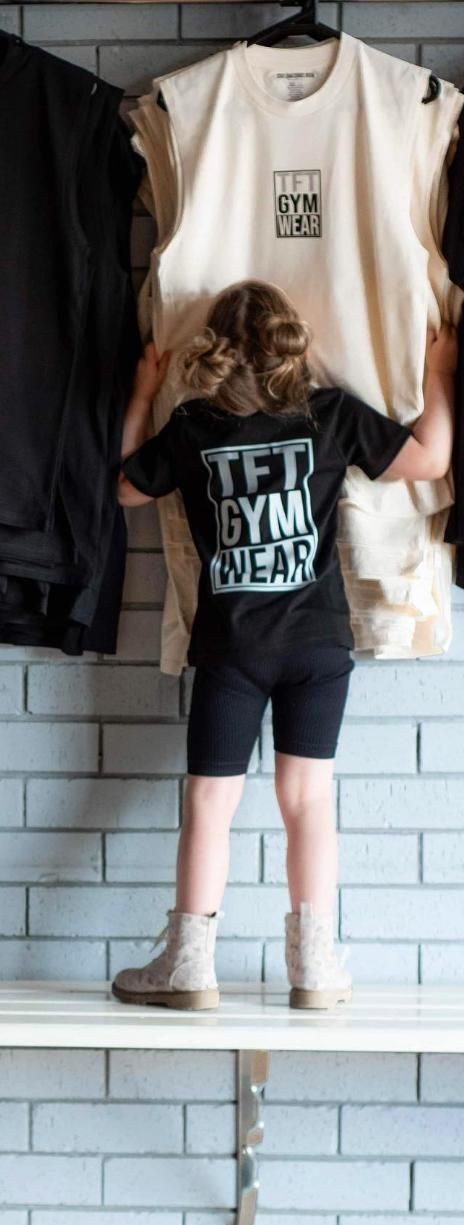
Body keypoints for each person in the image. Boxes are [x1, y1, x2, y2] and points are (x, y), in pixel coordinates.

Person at [112, 280, 456, 1012]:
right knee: (308, 802)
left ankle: (188, 968)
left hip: (233, 647)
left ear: (215, 354)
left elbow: (125, 490)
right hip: (317, 646)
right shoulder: (327, 417)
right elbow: (431, 461)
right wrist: (439, 371)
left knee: (209, 802)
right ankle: (315, 970)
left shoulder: (194, 426)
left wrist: (142, 394)